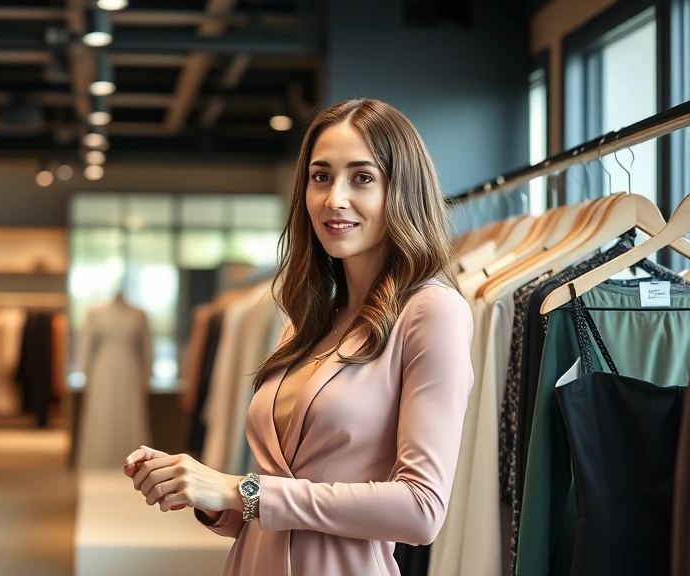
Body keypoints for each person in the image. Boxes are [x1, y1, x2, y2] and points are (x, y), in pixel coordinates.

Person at [123, 98, 474, 575]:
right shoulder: (307, 320)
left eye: (362, 177)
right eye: (321, 176)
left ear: (403, 190)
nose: (335, 199)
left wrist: (238, 489)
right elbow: (274, 503)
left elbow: (421, 510)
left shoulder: (431, 311)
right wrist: (200, 491)